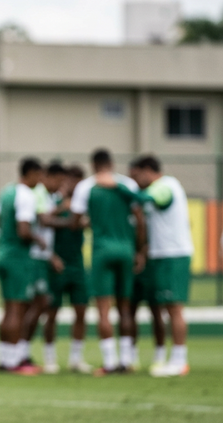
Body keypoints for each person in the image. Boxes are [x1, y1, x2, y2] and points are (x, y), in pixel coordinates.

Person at [100, 155, 193, 377]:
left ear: (147, 170)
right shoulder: (161, 187)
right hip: (162, 255)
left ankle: (179, 360)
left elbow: (142, 198)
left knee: (174, 308)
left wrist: (117, 186)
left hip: (173, 255)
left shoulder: (165, 186)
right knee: (167, 307)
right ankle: (174, 358)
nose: (136, 182)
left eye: (136, 176)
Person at [70, 148, 145, 376]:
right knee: (125, 309)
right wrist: (140, 251)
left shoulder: (86, 187)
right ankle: (127, 359)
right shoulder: (128, 185)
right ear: (111, 164)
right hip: (126, 249)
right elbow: (140, 220)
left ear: (94, 165)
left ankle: (110, 362)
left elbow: (75, 221)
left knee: (103, 311)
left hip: (102, 251)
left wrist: (90, 222)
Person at [0, 157, 46, 375]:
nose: (41, 180)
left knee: (7, 310)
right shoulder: (26, 195)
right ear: (31, 173)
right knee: (17, 309)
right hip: (18, 257)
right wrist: (38, 239)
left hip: (3, 253)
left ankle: (4, 359)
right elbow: (24, 230)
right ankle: (15, 362)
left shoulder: (7, 192)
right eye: (39, 175)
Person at [42, 164, 93, 374]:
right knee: (52, 313)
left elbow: (88, 223)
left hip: (77, 264)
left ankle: (75, 357)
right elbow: (43, 222)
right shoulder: (52, 201)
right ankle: (49, 358)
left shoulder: (83, 204)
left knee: (81, 311)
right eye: (71, 180)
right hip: (57, 264)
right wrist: (51, 256)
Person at [17, 162, 66, 371]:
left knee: (39, 305)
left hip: (42, 258)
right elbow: (43, 220)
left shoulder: (44, 196)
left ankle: (23, 353)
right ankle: (21, 354)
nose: (61, 185)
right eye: (59, 181)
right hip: (34, 259)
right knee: (33, 305)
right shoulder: (36, 194)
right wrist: (68, 216)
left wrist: (51, 255)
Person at [126, 158, 166, 371]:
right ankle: (130, 356)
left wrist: (144, 252)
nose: (134, 180)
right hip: (130, 264)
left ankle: (159, 355)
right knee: (129, 309)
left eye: (136, 175)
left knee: (156, 309)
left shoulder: (154, 196)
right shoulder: (130, 203)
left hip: (151, 264)